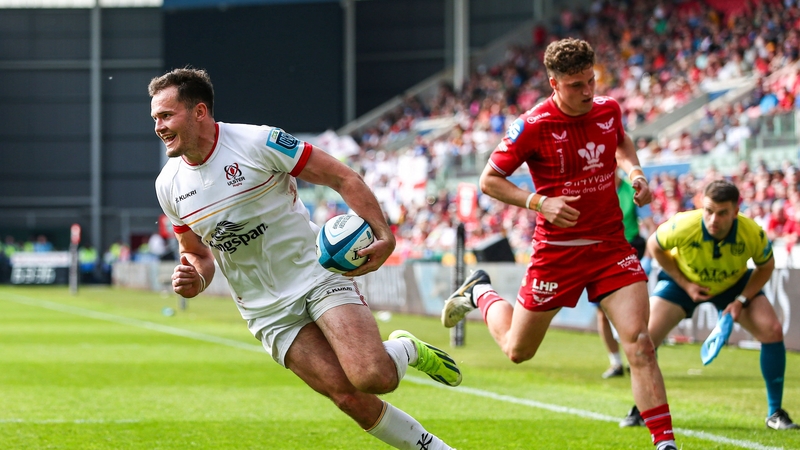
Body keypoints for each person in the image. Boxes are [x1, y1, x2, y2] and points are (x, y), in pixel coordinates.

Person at [149, 68, 462, 450]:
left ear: (199, 111)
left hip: (316, 274)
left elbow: (343, 177)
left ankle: (407, 348)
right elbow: (196, 254)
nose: (159, 127)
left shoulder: (258, 142)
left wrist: (384, 234)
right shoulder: (168, 185)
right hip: (264, 309)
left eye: (166, 115)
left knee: (373, 377)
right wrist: (195, 278)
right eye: (155, 118)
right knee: (349, 398)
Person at [440, 38, 677, 450]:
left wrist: (635, 173)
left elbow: (621, 141)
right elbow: (489, 181)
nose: (587, 91)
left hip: (610, 247)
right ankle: (479, 291)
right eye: (575, 85)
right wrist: (539, 202)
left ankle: (665, 442)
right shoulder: (532, 125)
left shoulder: (608, 109)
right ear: (554, 84)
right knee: (518, 350)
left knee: (640, 344)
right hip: (557, 253)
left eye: (591, 80)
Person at [619, 180, 798, 430]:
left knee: (772, 330)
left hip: (733, 285)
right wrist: (685, 283)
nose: (713, 220)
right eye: (709, 211)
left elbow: (766, 266)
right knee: (643, 340)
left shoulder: (751, 232)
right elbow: (653, 246)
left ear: (736, 211)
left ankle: (775, 413)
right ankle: (644, 409)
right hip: (684, 282)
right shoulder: (683, 224)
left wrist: (741, 300)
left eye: (722, 213)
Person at [597, 170, 652, 379]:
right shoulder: (594, 190)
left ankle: (636, 357)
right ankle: (616, 362)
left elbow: (650, 226)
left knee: (635, 311)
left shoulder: (632, 191)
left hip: (630, 251)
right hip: (603, 252)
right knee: (602, 312)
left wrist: (648, 257)